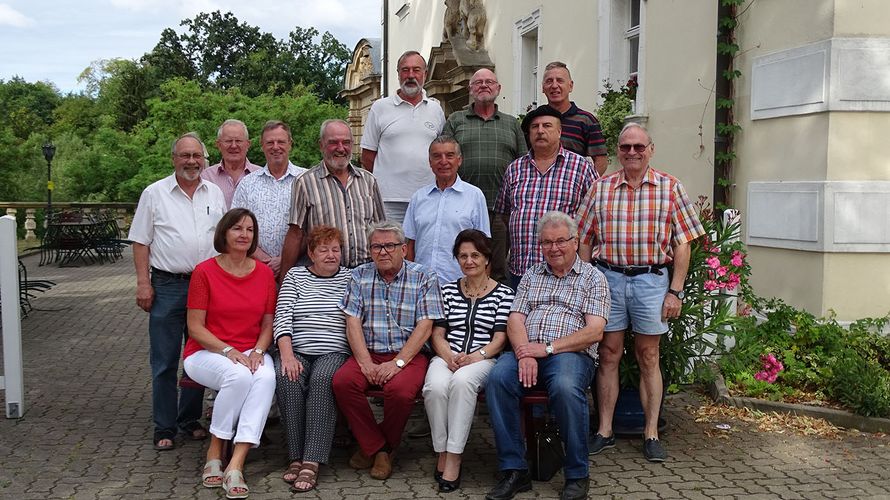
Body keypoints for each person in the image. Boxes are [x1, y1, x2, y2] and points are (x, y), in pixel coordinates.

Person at [578, 122, 705, 463]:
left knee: (649, 356)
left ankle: (651, 433)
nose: (631, 153)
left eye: (638, 146)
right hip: (608, 279)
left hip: (651, 281)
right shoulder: (600, 188)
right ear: (617, 151)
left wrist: (675, 291)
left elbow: (683, 244)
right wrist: (586, 281)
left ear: (651, 149)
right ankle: (604, 430)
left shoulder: (670, 187)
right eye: (625, 147)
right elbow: (585, 239)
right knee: (608, 354)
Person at [484, 211, 609, 500]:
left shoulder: (593, 278)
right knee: (498, 379)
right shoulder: (531, 274)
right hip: (529, 349)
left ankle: (577, 474)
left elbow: (594, 332)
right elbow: (515, 319)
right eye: (547, 242)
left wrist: (548, 349)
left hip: (570, 354)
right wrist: (524, 352)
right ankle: (515, 470)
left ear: (575, 242)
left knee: (565, 387)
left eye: (561, 241)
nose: (554, 248)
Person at [129, 132, 226, 451]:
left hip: (207, 286)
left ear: (204, 159)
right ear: (174, 159)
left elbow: (222, 242)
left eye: (197, 156)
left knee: (200, 357)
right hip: (167, 285)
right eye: (185, 155)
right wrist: (143, 283)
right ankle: (165, 426)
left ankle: (189, 419)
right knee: (165, 360)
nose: (191, 161)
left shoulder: (215, 192)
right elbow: (141, 241)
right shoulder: (154, 194)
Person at [332, 221, 445, 480]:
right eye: (376, 247)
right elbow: (352, 322)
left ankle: (373, 447)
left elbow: (426, 325)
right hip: (369, 352)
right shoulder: (359, 275)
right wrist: (365, 363)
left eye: (390, 246)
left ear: (404, 249)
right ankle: (381, 449)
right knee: (342, 382)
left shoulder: (425, 276)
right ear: (370, 251)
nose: (383, 252)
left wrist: (398, 363)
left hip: (409, 354)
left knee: (400, 392)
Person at [182, 208, 277, 499]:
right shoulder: (205, 271)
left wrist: (259, 351)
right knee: (238, 376)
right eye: (237, 228)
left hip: (251, 349)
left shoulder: (263, 273)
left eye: (249, 229)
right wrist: (229, 350)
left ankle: (236, 461)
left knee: (266, 377)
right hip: (206, 351)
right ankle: (215, 450)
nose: (244, 234)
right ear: (224, 233)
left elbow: (267, 323)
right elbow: (194, 327)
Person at [422, 229, 513, 493]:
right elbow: (437, 334)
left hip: (483, 358)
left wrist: (475, 356)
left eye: (475, 255)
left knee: (462, 383)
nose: (469, 261)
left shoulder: (503, 294)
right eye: (463, 256)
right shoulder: (447, 291)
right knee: (435, 387)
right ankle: (441, 449)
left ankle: (454, 456)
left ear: (487, 259)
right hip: (447, 355)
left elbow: (499, 339)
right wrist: (448, 356)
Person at [273, 225, 352, 493]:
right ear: (311, 253)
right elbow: (282, 317)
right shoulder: (295, 276)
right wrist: (287, 355)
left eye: (336, 249)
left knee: (322, 379)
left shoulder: (351, 278)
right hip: (297, 349)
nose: (331, 255)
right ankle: (295, 456)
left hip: (334, 350)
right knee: (287, 376)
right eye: (324, 250)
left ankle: (312, 460)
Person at [494, 104, 598, 290]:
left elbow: (596, 216)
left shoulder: (581, 167)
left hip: (564, 274)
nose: (540, 131)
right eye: (535, 127)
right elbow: (505, 214)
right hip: (521, 272)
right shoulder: (515, 169)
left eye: (547, 126)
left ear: (559, 132)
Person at [443, 68, 526, 283]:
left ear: (498, 88)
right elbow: (444, 156)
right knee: (465, 260)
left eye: (489, 81)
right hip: (463, 206)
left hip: (501, 210)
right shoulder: (456, 120)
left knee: (497, 266)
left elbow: (523, 163)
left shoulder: (512, 124)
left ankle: (493, 312)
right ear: (471, 89)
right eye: (478, 82)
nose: (483, 85)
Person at [279, 119, 385, 278]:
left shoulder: (369, 181)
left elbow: (381, 229)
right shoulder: (305, 182)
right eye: (333, 143)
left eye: (346, 142)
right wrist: (284, 280)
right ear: (321, 145)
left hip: (367, 274)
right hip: (325, 277)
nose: (341, 148)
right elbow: (296, 234)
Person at [360, 50, 445, 223]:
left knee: (425, 248)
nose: (411, 75)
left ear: (425, 74)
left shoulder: (436, 109)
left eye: (416, 70)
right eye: (405, 70)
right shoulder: (380, 107)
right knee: (390, 247)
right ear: (398, 74)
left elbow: (441, 152)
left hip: (428, 196)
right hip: (388, 200)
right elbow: (367, 157)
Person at [405, 135, 490, 283]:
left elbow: (484, 246)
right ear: (430, 162)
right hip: (421, 283)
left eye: (449, 155)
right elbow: (410, 243)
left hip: (461, 285)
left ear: (459, 160)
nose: (443, 161)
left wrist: (482, 287)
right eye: (437, 156)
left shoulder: (475, 196)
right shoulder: (418, 197)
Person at [232, 120, 306, 275]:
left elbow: (314, 228)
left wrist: (284, 260)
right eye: (270, 142)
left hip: (299, 271)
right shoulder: (247, 183)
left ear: (290, 144)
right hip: (256, 269)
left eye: (281, 142)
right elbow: (235, 227)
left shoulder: (307, 179)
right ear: (262, 145)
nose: (276, 147)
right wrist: (265, 261)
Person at [541, 61, 608, 176]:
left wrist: (588, 186)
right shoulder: (537, 121)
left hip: (573, 189)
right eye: (549, 81)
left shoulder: (586, 120)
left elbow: (601, 160)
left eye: (560, 80)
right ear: (543, 88)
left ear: (570, 86)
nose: (554, 85)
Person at [201, 119, 260, 208]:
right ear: (218, 145)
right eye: (228, 141)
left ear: (248, 144)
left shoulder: (261, 176)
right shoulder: (205, 177)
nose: (233, 146)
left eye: (238, 141)